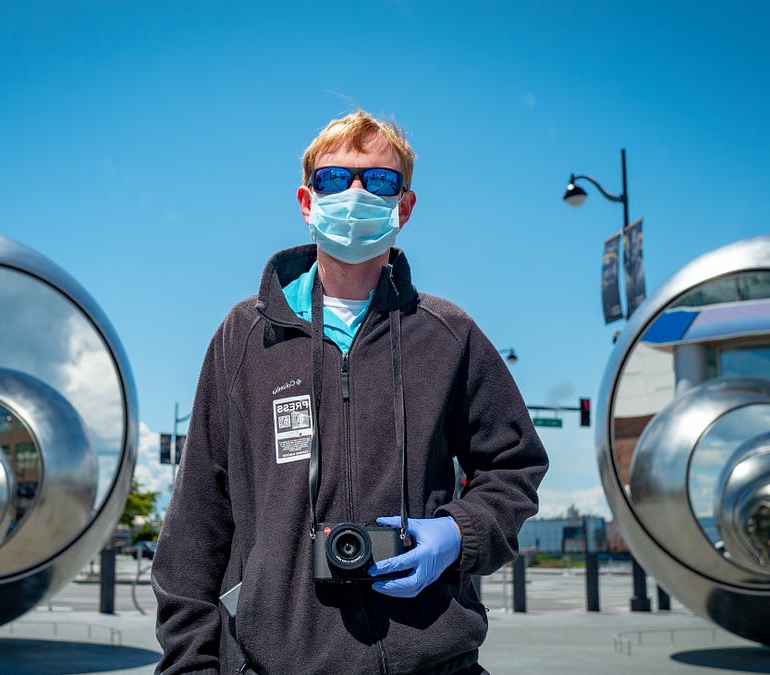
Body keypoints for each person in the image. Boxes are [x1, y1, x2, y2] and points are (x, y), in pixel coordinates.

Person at [152, 110, 548, 674]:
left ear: (404, 207)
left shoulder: (447, 334)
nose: (356, 193)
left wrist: (458, 533)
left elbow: (515, 467)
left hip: (433, 662)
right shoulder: (245, 337)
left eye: (379, 181)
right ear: (307, 201)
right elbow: (197, 519)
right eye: (336, 179)